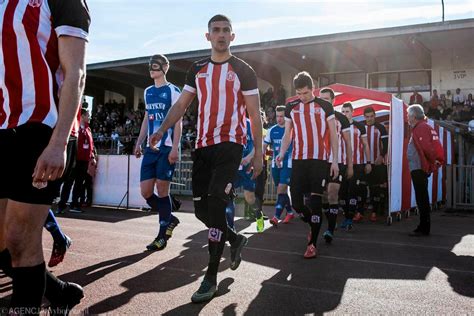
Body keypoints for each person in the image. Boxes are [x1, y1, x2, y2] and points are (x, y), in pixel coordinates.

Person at [149, 14, 263, 303]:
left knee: (215, 202)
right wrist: (161, 129)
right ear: (208, 36)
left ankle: (210, 276)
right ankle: (234, 239)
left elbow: (253, 114)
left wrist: (259, 151)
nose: (221, 34)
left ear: (233, 37)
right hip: (202, 147)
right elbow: (181, 105)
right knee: (201, 211)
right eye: (216, 30)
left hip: (230, 146)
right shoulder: (197, 69)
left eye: (226, 30)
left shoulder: (243, 70)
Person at [0, 0, 90, 313]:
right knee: (2, 244)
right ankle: (60, 293)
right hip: (2, 128)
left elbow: (75, 72)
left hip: (41, 128)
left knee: (20, 238)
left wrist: (58, 142)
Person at [277, 71, 339, 259]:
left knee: (315, 201)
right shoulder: (291, 107)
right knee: (296, 202)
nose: (302, 97)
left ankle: (312, 244)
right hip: (298, 159)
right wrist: (281, 153)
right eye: (299, 93)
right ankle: (313, 224)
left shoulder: (325, 106)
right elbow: (288, 133)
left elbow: (333, 134)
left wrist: (334, 160)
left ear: (312, 89)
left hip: (319, 160)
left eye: (305, 93)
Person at [134, 54, 182, 252]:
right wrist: (139, 142)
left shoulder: (173, 90)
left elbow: (177, 121)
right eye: (150, 66)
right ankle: (169, 217)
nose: (151, 69)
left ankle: (162, 236)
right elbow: (147, 118)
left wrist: (175, 147)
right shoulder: (147, 92)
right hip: (150, 149)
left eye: (155, 66)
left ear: (165, 67)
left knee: (162, 190)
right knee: (146, 192)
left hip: (166, 146)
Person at [319, 88, 353, 244]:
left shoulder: (341, 119)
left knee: (332, 194)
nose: (324, 101)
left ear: (334, 101)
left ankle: (330, 230)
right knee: (323, 197)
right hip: (319, 162)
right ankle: (331, 220)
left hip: (337, 162)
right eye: (322, 98)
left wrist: (350, 166)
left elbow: (348, 144)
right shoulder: (316, 116)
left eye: (327, 98)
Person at [406, 104, 444, 236]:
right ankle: (422, 226)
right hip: (419, 167)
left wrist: (431, 164)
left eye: (408, 115)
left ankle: (424, 228)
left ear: (414, 116)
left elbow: (427, 148)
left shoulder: (421, 128)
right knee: (421, 197)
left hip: (419, 168)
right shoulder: (423, 126)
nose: (407, 118)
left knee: (422, 198)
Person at [226, 119, 265, 232]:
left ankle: (258, 215)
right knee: (228, 193)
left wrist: (248, 158)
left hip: (246, 167)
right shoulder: (227, 121)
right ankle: (230, 226)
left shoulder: (250, 123)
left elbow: (258, 144)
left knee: (249, 197)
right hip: (232, 167)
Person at [340, 102, 372, 230]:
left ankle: (349, 219)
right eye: (343, 112)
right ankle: (347, 215)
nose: (345, 114)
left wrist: (368, 162)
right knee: (342, 193)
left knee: (352, 191)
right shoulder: (338, 126)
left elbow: (365, 145)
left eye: (347, 111)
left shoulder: (360, 127)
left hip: (357, 164)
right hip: (342, 164)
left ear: (352, 112)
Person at [353, 107, 388, 222]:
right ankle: (360, 212)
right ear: (364, 117)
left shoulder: (381, 128)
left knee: (375, 188)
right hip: (362, 162)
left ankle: (374, 212)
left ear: (375, 116)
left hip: (376, 163)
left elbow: (386, 144)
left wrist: (381, 156)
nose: (369, 119)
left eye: (371, 116)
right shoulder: (360, 127)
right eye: (367, 117)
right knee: (361, 187)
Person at [264, 106, 294, 226]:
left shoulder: (292, 130)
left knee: (281, 189)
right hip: (275, 164)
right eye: (277, 116)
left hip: (288, 163)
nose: (279, 119)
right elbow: (264, 145)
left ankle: (276, 216)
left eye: (282, 116)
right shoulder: (272, 130)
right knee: (281, 191)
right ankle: (290, 212)